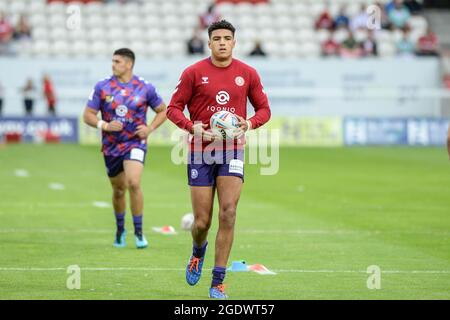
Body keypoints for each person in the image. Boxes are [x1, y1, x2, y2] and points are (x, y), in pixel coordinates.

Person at [166, 20, 271, 299]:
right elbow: (172, 109)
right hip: (201, 151)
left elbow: (264, 110)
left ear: (234, 43)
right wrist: (193, 127)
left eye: (227, 38)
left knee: (229, 212)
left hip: (233, 149)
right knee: (202, 222)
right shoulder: (193, 72)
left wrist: (248, 124)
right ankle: (198, 252)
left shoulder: (247, 73)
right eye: (217, 38)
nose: (222, 42)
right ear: (209, 43)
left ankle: (218, 282)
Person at [83, 48, 167, 249]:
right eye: (113, 61)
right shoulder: (103, 87)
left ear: (129, 64)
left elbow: (164, 110)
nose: (113, 65)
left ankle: (139, 233)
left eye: (117, 61)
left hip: (135, 143)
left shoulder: (145, 87)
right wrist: (104, 125)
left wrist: (150, 128)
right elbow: (87, 115)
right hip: (111, 146)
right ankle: (120, 230)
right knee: (119, 190)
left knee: (133, 182)